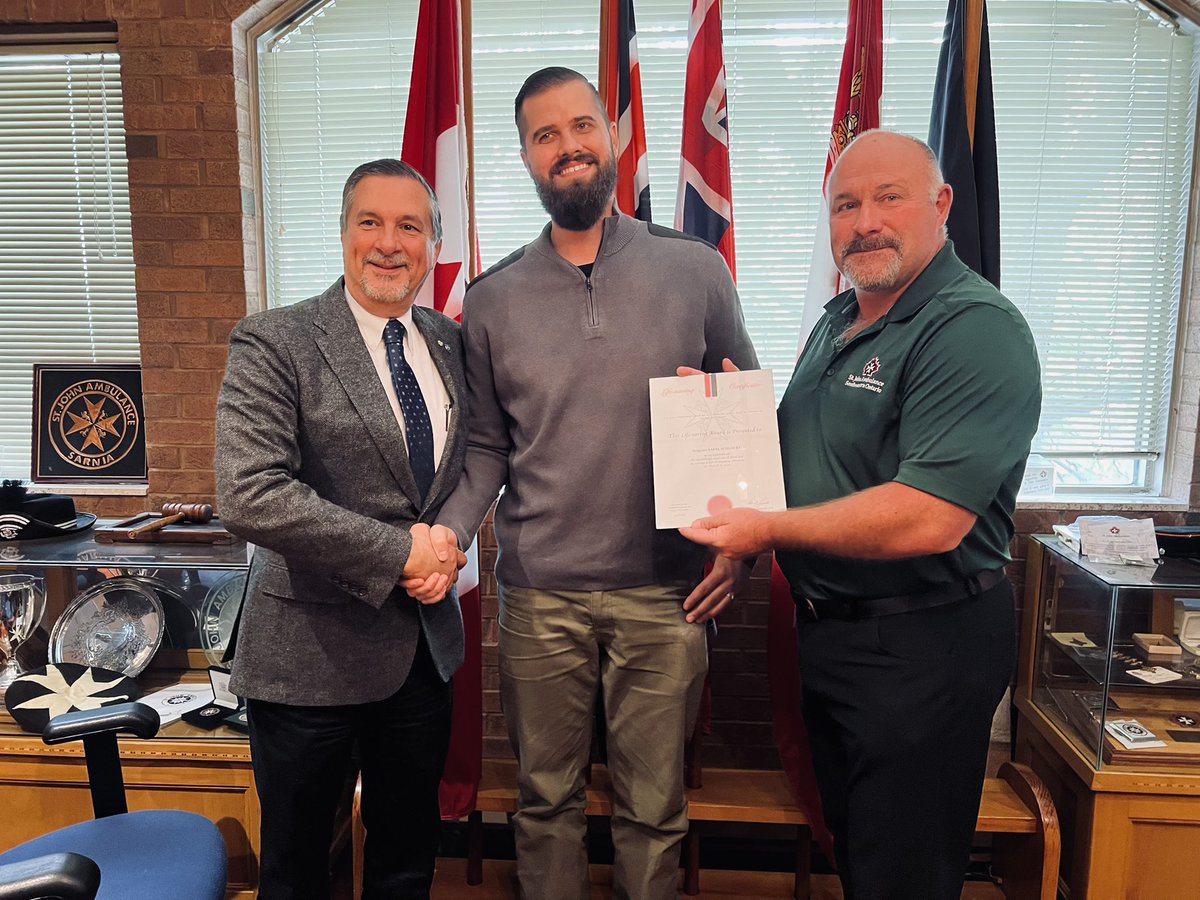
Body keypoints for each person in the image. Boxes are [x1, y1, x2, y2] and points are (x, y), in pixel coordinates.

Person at [411, 67, 758, 899]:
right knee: (545, 801)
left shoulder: (695, 269)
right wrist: (449, 531)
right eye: (544, 135)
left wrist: (742, 545)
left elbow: (743, 416)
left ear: (612, 137)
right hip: (540, 599)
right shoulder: (491, 301)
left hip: (666, 590)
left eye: (581, 127)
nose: (567, 146)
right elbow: (487, 448)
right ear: (527, 158)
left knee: (653, 806)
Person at [680, 130, 1041, 900]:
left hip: (923, 643)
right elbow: (795, 451)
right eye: (846, 204)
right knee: (862, 855)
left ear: (940, 204)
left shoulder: (972, 328)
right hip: (836, 636)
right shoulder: (839, 318)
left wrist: (765, 533)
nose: (865, 220)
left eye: (888, 197)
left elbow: (929, 516)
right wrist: (716, 420)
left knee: (902, 875)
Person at [215, 158, 469, 900]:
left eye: (409, 226)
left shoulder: (450, 343)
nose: (389, 243)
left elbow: (470, 464)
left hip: (422, 657)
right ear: (343, 235)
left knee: (406, 863)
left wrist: (446, 541)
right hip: (306, 664)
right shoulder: (275, 340)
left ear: (431, 245)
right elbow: (251, 493)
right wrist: (399, 554)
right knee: (297, 875)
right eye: (371, 222)